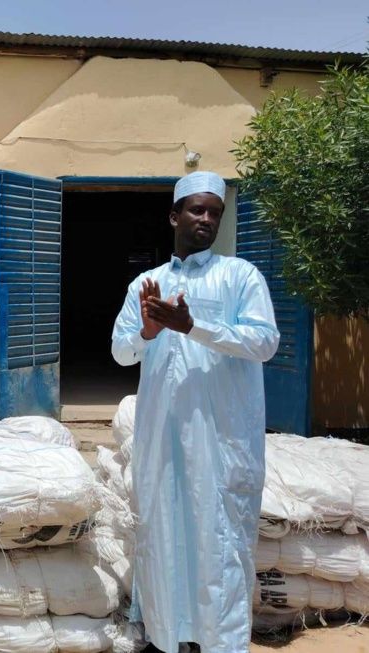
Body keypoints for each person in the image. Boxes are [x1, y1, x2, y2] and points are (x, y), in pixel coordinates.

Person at [111, 171, 280, 653]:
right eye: (197, 209)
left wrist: (193, 325)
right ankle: (170, 636)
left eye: (215, 212)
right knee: (166, 532)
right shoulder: (147, 283)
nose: (206, 219)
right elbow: (122, 352)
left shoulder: (240, 276)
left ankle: (220, 642)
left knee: (219, 538)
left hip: (222, 437)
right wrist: (147, 331)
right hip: (163, 434)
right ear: (174, 215)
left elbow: (264, 342)